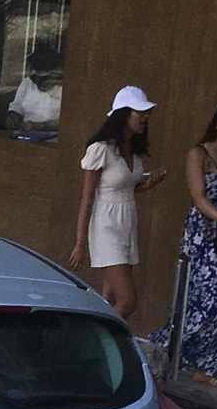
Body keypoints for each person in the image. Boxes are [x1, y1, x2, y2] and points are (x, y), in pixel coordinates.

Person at [149, 96, 217, 387]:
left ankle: (209, 366)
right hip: (204, 234)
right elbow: (199, 198)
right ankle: (162, 348)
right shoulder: (199, 154)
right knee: (206, 298)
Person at [68, 84, 169, 322]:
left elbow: (126, 189)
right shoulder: (101, 149)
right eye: (139, 112)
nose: (145, 117)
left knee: (109, 297)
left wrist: (149, 184)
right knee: (127, 300)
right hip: (106, 226)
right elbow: (88, 197)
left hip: (127, 224)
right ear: (124, 115)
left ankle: (100, 343)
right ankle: (94, 335)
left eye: (146, 112)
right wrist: (81, 243)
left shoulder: (133, 150)